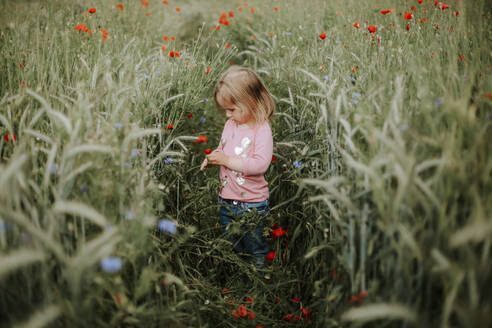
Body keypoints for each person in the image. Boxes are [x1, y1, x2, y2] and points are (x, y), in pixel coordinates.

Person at [200, 66, 274, 269]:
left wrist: (225, 161)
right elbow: (223, 148)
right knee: (234, 245)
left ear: (250, 102)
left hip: (251, 203)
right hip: (226, 199)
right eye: (225, 109)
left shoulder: (261, 129)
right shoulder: (231, 124)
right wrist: (214, 157)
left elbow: (260, 164)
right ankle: (238, 278)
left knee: (255, 246)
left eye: (231, 109)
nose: (227, 115)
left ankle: (260, 280)